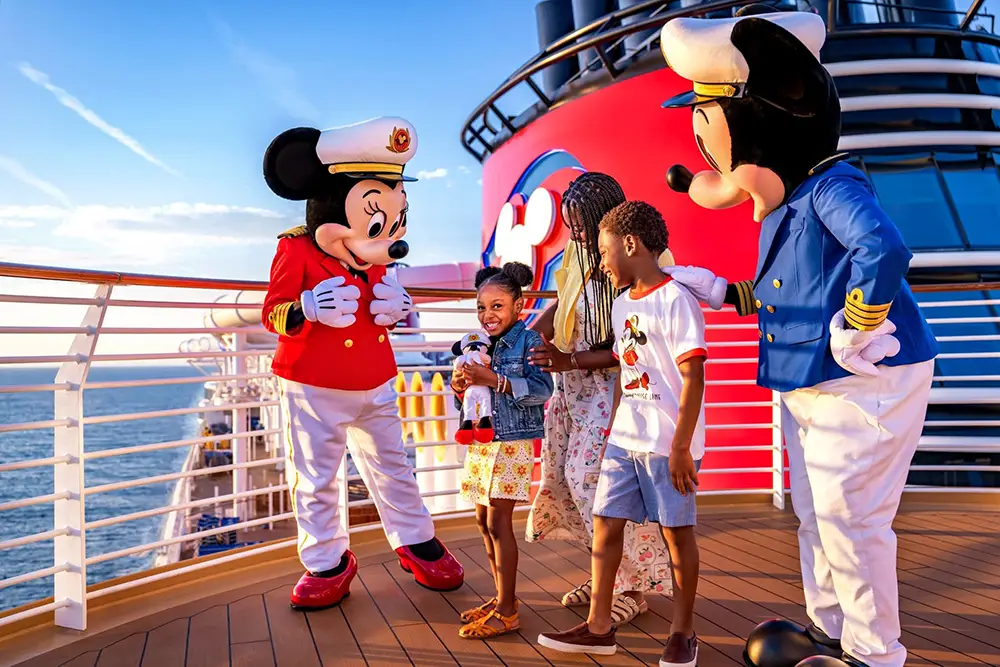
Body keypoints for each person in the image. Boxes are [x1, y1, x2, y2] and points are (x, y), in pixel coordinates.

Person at [658, 8, 939, 667]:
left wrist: (862, 320)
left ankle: (876, 651)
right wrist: (719, 290)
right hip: (808, 380)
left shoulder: (830, 186)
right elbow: (786, 295)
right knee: (817, 517)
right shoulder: (785, 204)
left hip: (861, 377)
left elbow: (884, 248)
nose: (707, 164)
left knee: (853, 520)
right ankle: (834, 629)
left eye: (712, 135)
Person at [259, 117, 464, 611]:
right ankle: (327, 561)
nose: (391, 238)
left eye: (396, 221)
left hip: (374, 379)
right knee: (316, 477)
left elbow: (380, 308)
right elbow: (272, 311)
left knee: (394, 465)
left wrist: (397, 309)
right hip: (313, 385)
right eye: (377, 221)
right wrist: (306, 308)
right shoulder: (296, 249)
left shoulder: (376, 258)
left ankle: (415, 539)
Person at [538, 200, 707, 667]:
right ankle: (598, 628)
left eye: (606, 250)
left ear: (630, 244)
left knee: (678, 536)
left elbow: (693, 377)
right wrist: (612, 426)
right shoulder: (620, 303)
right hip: (625, 438)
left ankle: (683, 632)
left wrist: (680, 448)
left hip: (667, 444)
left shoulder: (677, 300)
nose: (602, 261)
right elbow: (624, 365)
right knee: (605, 526)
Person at [525, 172, 674, 627]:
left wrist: (569, 361)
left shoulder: (630, 257)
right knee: (569, 480)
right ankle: (606, 575)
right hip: (573, 389)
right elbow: (563, 304)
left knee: (597, 483)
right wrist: (527, 339)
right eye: (570, 225)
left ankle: (631, 588)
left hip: (613, 389)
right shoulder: (580, 255)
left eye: (582, 225)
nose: (575, 233)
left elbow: (635, 340)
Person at [450, 262, 555, 640]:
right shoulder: (476, 342)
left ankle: (509, 610)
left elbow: (543, 390)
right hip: (482, 443)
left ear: (519, 305)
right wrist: (460, 385)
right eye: (481, 307)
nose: (488, 315)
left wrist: (496, 379)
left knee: (498, 523)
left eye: (497, 306)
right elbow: (469, 399)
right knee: (482, 521)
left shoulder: (529, 342)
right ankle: (499, 598)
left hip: (511, 443)